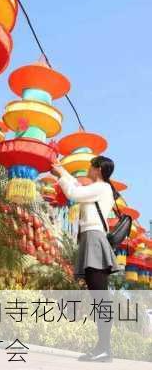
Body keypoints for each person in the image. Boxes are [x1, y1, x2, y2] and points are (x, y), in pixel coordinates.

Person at [52, 155, 120, 362]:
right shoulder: (100, 188)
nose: (88, 169)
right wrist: (61, 171)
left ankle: (105, 349)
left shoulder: (102, 188)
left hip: (94, 239)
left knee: (101, 299)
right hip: (91, 239)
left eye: (91, 166)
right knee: (99, 298)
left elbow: (74, 192)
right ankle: (103, 347)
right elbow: (76, 185)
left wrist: (61, 176)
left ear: (98, 169)